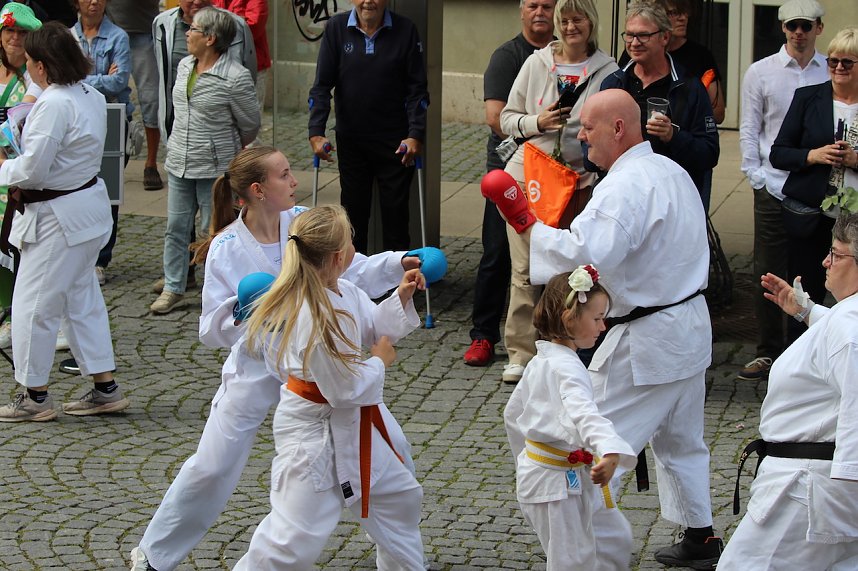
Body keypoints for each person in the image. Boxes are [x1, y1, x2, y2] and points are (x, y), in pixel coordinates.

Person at [130, 147, 422, 571]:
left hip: (319, 366)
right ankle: (155, 554)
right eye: (284, 175)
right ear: (257, 190)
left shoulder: (303, 222)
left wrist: (399, 266)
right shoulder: (227, 247)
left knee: (393, 453)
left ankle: (400, 553)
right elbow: (211, 327)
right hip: (258, 363)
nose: (294, 181)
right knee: (213, 465)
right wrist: (245, 308)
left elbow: (350, 269)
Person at [482, 89, 722, 569]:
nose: (579, 134)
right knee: (681, 440)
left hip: (651, 338)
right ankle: (700, 537)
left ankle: (580, 545)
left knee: (580, 434)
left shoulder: (626, 185)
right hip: (688, 329)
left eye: (588, 126)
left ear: (618, 128)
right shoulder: (669, 170)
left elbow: (583, 253)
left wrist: (525, 221)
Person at [232, 204, 426, 569]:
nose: (355, 244)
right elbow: (343, 389)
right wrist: (379, 361)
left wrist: (400, 296)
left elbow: (369, 325)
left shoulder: (342, 289)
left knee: (397, 497)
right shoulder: (313, 314)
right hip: (314, 432)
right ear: (340, 256)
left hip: (354, 420)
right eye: (352, 239)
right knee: (292, 539)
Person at [0, 21, 128, 421]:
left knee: (33, 305)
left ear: (41, 65)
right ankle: (105, 387)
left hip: (59, 218)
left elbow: (33, 171)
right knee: (81, 301)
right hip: (84, 209)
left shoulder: (54, 103)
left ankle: (34, 395)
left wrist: (3, 167)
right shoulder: (87, 94)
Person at [720, 212, 858, 569]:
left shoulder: (848, 326)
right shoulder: (844, 319)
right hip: (816, 483)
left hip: (809, 490)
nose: (826, 261)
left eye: (837, 254)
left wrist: (849, 482)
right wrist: (807, 311)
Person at [496, 0, 618, 383]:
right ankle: (520, 352)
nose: (569, 27)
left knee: (572, 269)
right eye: (563, 20)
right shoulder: (536, 63)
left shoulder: (608, 70)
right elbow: (505, 119)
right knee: (525, 268)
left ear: (591, 23)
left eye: (577, 19)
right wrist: (537, 121)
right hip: (528, 179)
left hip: (579, 183)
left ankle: (570, 345)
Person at [504, 265, 637, 570]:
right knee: (571, 561)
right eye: (597, 319)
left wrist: (524, 460)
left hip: (562, 474)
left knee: (613, 538)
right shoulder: (565, 369)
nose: (603, 327)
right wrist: (609, 449)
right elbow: (584, 413)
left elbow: (512, 415)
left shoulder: (547, 357)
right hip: (553, 485)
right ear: (569, 319)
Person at [737, 0, 828, 382]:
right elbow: (749, 127)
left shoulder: (831, 69)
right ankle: (769, 351)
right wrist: (755, 175)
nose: (799, 32)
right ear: (782, 28)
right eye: (792, 25)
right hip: (773, 185)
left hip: (817, 187)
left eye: (806, 25)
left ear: (819, 28)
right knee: (769, 270)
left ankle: (810, 348)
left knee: (816, 270)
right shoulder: (761, 72)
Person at [464, 0, 556, 369]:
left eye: (547, 6)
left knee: (546, 257)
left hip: (554, 173)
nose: (540, 12)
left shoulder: (570, 59)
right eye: (533, 5)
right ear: (521, 11)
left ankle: (548, 334)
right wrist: (540, 122)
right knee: (497, 254)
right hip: (509, 172)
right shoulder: (508, 56)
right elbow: (495, 118)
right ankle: (483, 335)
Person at [149, 6, 259, 315]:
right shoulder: (185, 66)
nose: (187, 33)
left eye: (193, 30)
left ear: (210, 38)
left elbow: (250, 123)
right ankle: (173, 286)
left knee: (217, 231)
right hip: (179, 162)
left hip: (215, 168)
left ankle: (218, 289)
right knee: (175, 227)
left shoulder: (235, 77)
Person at [308, 0, 429, 254]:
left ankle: (399, 286)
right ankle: (353, 284)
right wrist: (316, 132)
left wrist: (415, 134)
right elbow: (321, 87)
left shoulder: (406, 30)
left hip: (395, 142)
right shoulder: (336, 28)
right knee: (352, 220)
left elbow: (417, 91)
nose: (368, 1)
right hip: (352, 140)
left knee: (396, 221)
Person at [769, 27, 858, 352]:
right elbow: (778, 152)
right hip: (812, 214)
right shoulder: (809, 97)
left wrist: (855, 159)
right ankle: (800, 359)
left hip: (855, 220)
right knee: (805, 290)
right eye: (833, 61)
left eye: (847, 63)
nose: (837, 68)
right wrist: (813, 155)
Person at [601, 1, 719, 209]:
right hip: (622, 200)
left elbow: (709, 153)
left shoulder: (689, 87)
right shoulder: (614, 83)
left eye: (643, 35)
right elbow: (590, 152)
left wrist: (673, 135)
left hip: (671, 202)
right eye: (629, 35)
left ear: (665, 37)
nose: (634, 42)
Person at [70, 0, 132, 286]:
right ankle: (79, 256)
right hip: (78, 122)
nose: (93, 2)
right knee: (78, 188)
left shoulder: (118, 36)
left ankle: (101, 259)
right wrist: (99, 78)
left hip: (113, 121)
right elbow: (63, 80)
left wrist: (80, 79)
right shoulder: (69, 37)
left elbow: (119, 82)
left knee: (109, 194)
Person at [0, 2, 42, 352]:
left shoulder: (34, 77)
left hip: (15, 177)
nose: (14, 38)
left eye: (22, 33)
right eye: (9, 31)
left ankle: (14, 317)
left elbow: (20, 127)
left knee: (12, 247)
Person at [106, 0, 163, 191]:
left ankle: (151, 163)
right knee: (110, 93)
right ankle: (110, 158)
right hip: (110, 31)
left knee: (151, 99)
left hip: (144, 32)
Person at [211, 0, 270, 109]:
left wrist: (217, 29)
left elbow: (253, 26)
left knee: (250, 112)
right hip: (218, 63)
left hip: (250, 63)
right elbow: (203, 21)